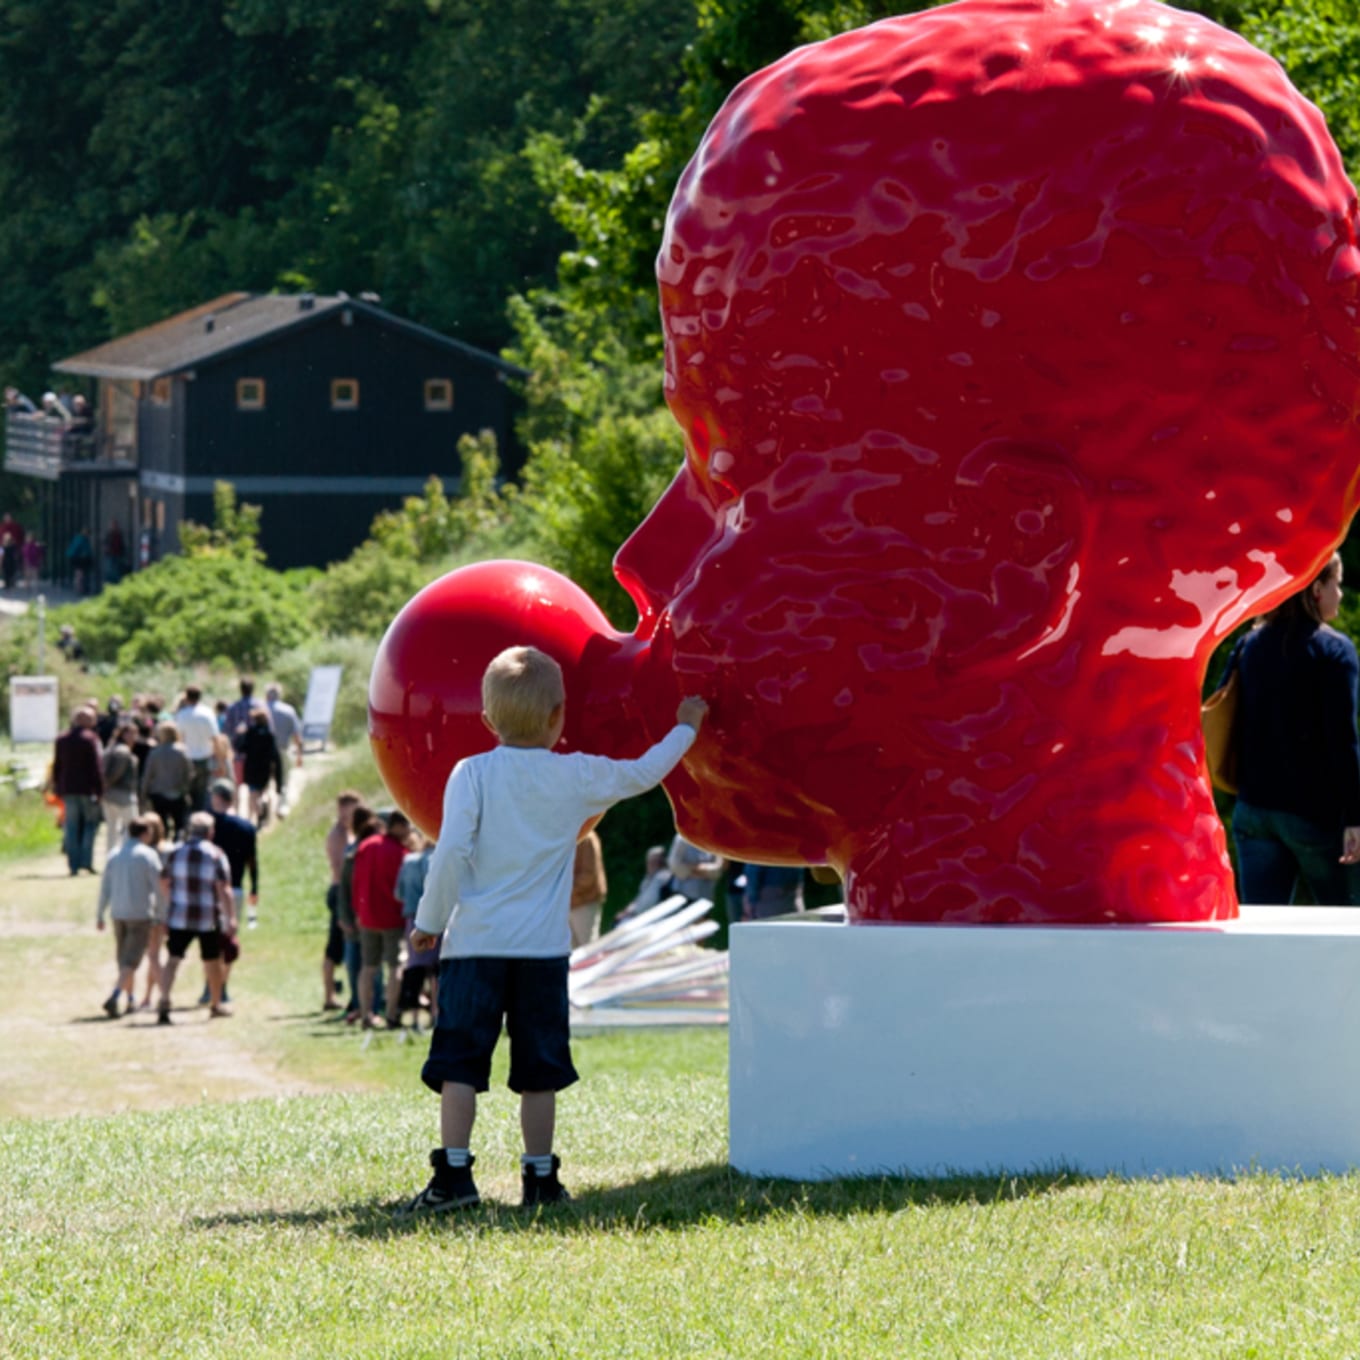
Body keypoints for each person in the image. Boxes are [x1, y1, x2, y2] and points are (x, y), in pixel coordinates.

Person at [400, 644, 708, 1214]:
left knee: (458, 1066)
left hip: (474, 949)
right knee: (539, 1070)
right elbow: (643, 773)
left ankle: (454, 1180)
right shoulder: (575, 776)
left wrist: (428, 922)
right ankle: (540, 1179)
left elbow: (449, 856)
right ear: (559, 715)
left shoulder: (471, 775)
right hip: (543, 953)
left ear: (488, 720)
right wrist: (685, 728)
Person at [1223, 551, 1360, 905]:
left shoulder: (1247, 646)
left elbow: (1226, 719)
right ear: (1316, 589)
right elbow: (1343, 743)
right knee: (1344, 927)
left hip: (1254, 811)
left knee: (1260, 932)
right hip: (1315, 817)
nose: (1340, 595)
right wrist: (1354, 820)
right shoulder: (1334, 651)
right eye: (1337, 585)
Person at [157, 812, 234, 1023]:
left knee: (173, 959)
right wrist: (231, 917)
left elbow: (164, 881)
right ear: (210, 832)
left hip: (179, 916)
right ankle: (216, 1003)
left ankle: (164, 1000)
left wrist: (170, 902)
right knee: (212, 960)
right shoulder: (216, 854)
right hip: (207, 917)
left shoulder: (175, 853)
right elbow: (223, 889)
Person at [95, 817, 162, 1017]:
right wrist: (161, 913)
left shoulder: (114, 855)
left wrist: (100, 913)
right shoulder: (148, 855)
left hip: (118, 913)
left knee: (123, 959)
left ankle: (130, 999)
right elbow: (158, 887)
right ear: (144, 833)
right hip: (140, 915)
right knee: (130, 961)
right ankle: (115, 996)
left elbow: (105, 887)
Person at [352, 809, 412, 1029]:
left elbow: (356, 881)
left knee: (368, 967)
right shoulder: (402, 852)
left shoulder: (367, 846)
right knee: (395, 966)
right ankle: (391, 1014)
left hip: (368, 917)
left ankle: (366, 1014)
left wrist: (357, 911)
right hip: (392, 918)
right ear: (398, 826)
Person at [207, 780, 258, 1002]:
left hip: (208, 890)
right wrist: (255, 887)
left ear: (216, 798)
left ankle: (210, 986)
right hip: (235, 888)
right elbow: (252, 861)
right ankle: (223, 985)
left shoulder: (207, 826)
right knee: (228, 940)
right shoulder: (246, 827)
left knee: (210, 941)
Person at [52, 706, 103, 875]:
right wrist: (100, 790)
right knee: (90, 824)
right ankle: (86, 862)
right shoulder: (90, 739)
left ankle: (73, 865)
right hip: (87, 789)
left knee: (72, 827)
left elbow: (57, 765)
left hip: (67, 789)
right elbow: (96, 767)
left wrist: (56, 786)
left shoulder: (61, 739)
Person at [322, 791, 361, 1011]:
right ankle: (329, 996)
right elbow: (340, 867)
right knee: (335, 946)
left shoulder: (347, 832)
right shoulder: (338, 835)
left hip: (343, 890)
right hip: (339, 891)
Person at [140, 721, 193, 841]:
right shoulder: (182, 751)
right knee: (179, 826)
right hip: (178, 793)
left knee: (160, 826)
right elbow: (189, 774)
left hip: (158, 795)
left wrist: (143, 794)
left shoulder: (155, 753)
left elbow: (147, 775)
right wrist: (185, 789)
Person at [99, 722, 140, 862]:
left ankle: (112, 858)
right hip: (122, 795)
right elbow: (115, 773)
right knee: (132, 827)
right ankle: (127, 857)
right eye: (131, 733)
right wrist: (107, 785)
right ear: (123, 734)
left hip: (109, 795)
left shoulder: (111, 748)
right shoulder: (122, 751)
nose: (134, 737)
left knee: (112, 828)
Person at [174, 686, 219, 812]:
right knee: (202, 792)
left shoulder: (182, 715)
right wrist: (220, 760)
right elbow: (215, 738)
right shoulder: (207, 713)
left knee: (188, 791)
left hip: (187, 759)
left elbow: (179, 738)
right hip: (204, 757)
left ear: (187, 697)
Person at [239, 704, 282, 825]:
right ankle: (262, 814)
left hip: (251, 768)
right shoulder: (270, 735)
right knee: (264, 792)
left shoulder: (250, 733)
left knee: (252, 794)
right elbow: (274, 754)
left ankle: (250, 817)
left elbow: (242, 748)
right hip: (265, 769)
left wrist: (241, 734)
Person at [265, 684, 303, 813]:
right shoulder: (288, 710)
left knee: (267, 779)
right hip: (283, 749)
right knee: (284, 778)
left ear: (267, 695)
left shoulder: (262, 709)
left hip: (264, 751)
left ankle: (266, 803)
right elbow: (297, 735)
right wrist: (299, 755)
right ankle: (281, 806)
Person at [569, 828, 607, 949]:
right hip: (569, 903)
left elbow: (589, 876)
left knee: (590, 948)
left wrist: (564, 892)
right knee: (573, 952)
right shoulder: (568, 837)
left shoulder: (587, 838)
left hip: (584, 901)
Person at [615, 845, 671, 924]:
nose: (651, 865)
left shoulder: (662, 878)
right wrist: (626, 911)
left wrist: (631, 912)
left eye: (655, 862)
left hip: (651, 919)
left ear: (662, 862)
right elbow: (639, 899)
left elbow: (647, 904)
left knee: (620, 924)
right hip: (639, 915)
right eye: (649, 862)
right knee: (618, 920)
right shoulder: (649, 878)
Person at [666, 834, 722, 903]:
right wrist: (704, 871)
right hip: (681, 895)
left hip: (706, 896)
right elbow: (675, 866)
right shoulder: (682, 837)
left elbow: (717, 870)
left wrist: (690, 869)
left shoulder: (714, 839)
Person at [66, 527, 94, 594]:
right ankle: (79, 589)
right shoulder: (82, 539)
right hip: (78, 558)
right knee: (80, 574)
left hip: (75, 557)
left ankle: (79, 588)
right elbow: (86, 550)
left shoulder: (78, 538)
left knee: (78, 574)